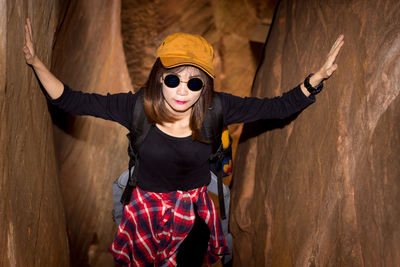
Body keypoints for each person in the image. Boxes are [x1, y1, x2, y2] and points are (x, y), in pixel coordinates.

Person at [23, 17, 344, 266]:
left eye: (194, 83)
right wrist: (36, 62)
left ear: (205, 85)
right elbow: (72, 100)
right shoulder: (135, 107)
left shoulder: (218, 107)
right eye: (173, 79)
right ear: (159, 77)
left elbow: (276, 107)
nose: (182, 91)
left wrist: (315, 79)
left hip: (192, 213)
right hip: (145, 210)